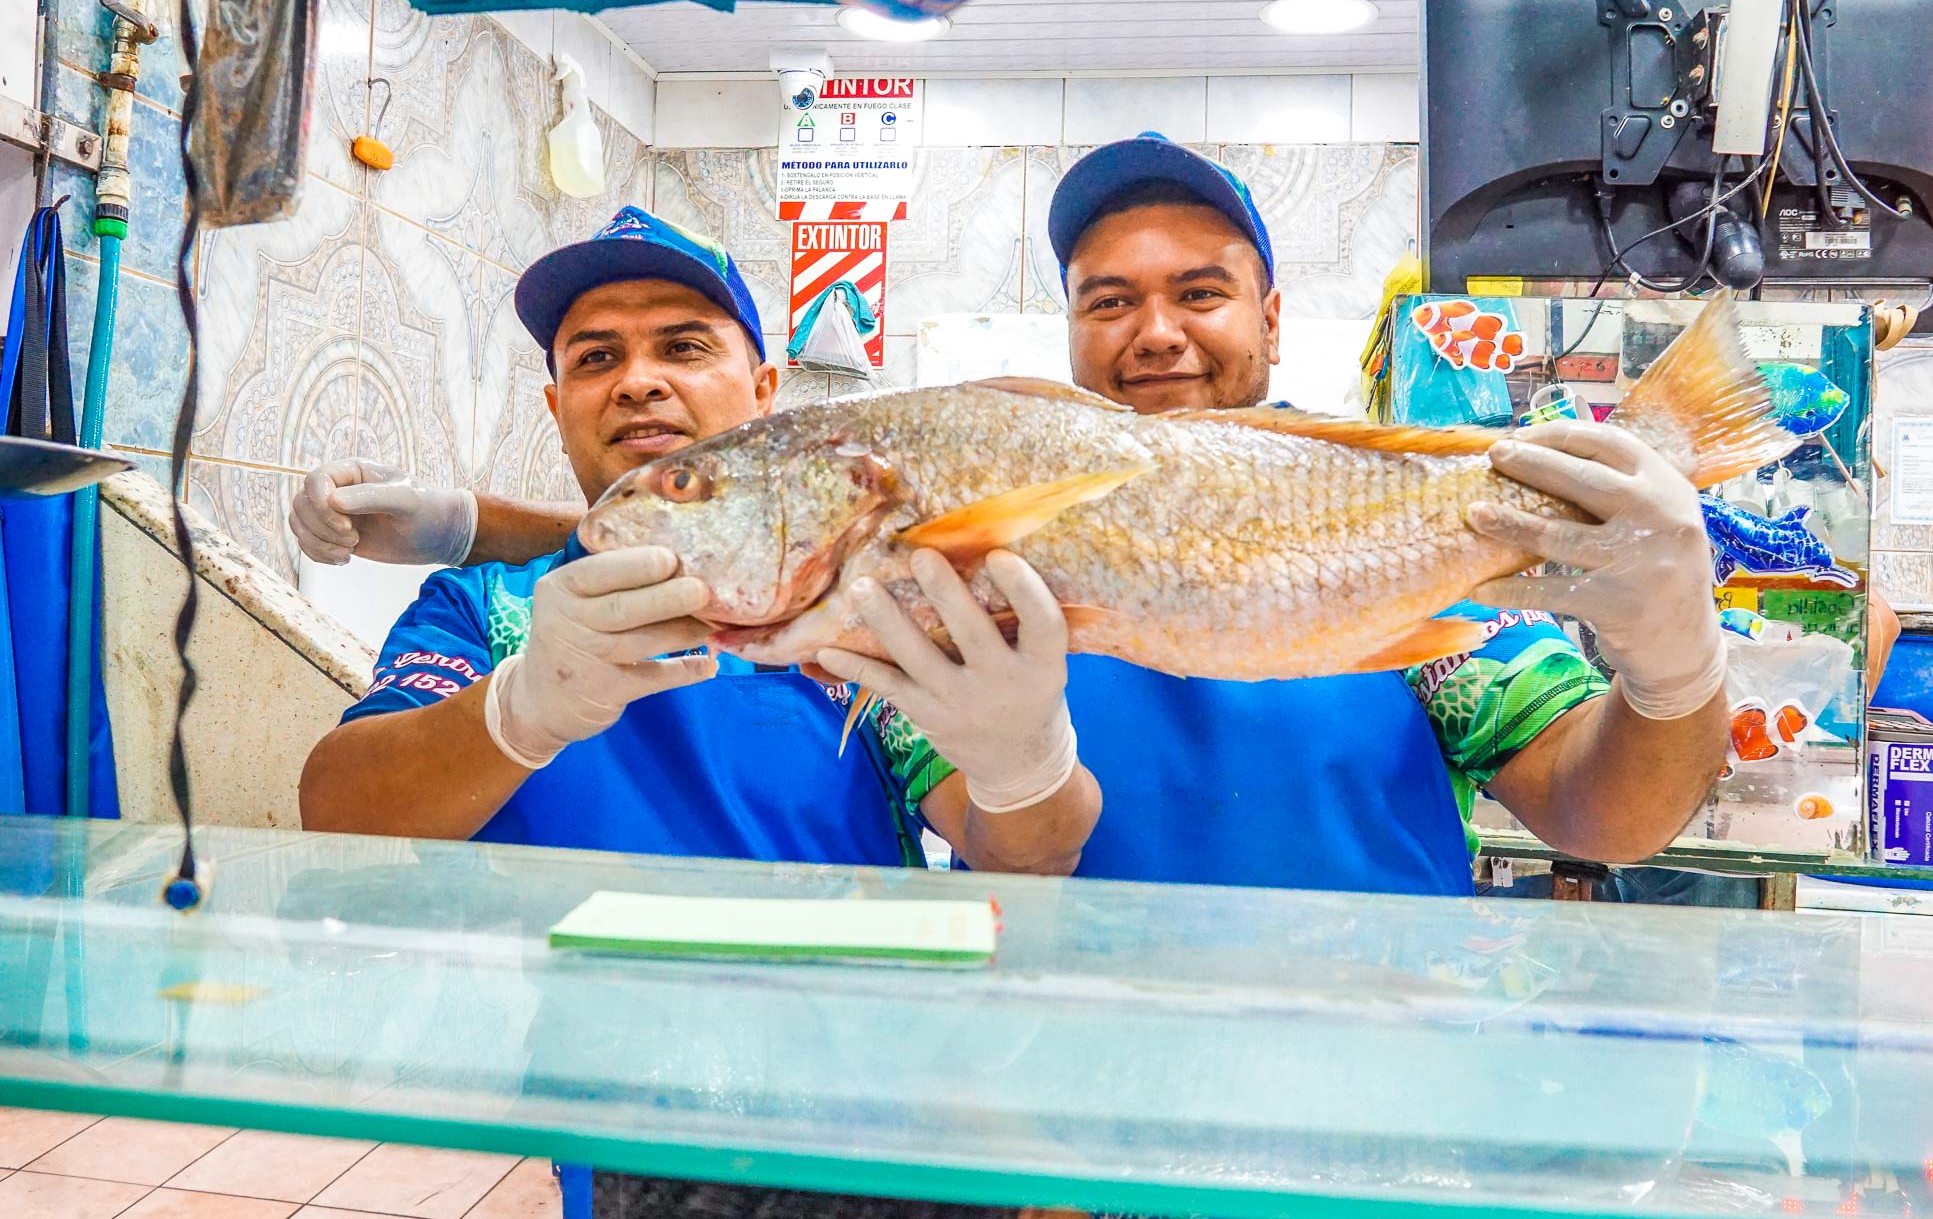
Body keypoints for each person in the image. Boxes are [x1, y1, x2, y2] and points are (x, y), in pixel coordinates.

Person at [293, 139, 1795, 895]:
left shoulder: (1406, 594)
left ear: (1271, 318)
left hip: (1377, 1083)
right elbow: (999, 835)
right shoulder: (921, 606)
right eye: (1108, 301)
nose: (1154, 334)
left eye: (1199, 294)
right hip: (1054, 1109)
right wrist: (497, 633)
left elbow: (1604, 814)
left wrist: (1674, 664)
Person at [297, 207, 1100, 1219]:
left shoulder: (856, 608)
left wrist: (1020, 758)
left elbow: (1020, 851)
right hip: (635, 1128)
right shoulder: (489, 610)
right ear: (556, 404)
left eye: (683, 345)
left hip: (895, 1111)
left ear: (765, 392)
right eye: (597, 357)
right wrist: (521, 708)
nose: (638, 378)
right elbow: (337, 809)